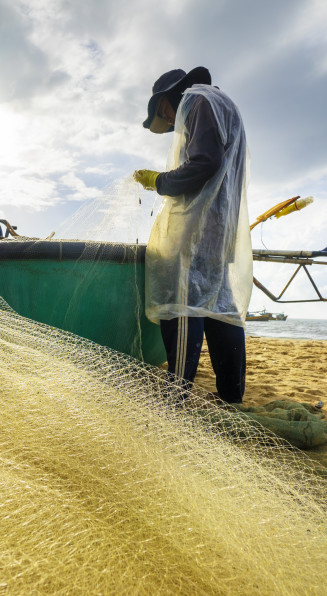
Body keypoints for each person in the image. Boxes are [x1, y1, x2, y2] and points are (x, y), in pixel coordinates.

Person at [133, 67, 252, 403]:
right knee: (217, 303)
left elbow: (203, 163)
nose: (171, 125)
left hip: (198, 226)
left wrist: (160, 181)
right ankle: (232, 396)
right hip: (221, 227)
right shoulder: (222, 102)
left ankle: (176, 395)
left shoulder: (197, 100)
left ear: (166, 104)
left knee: (183, 301)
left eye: (166, 118)